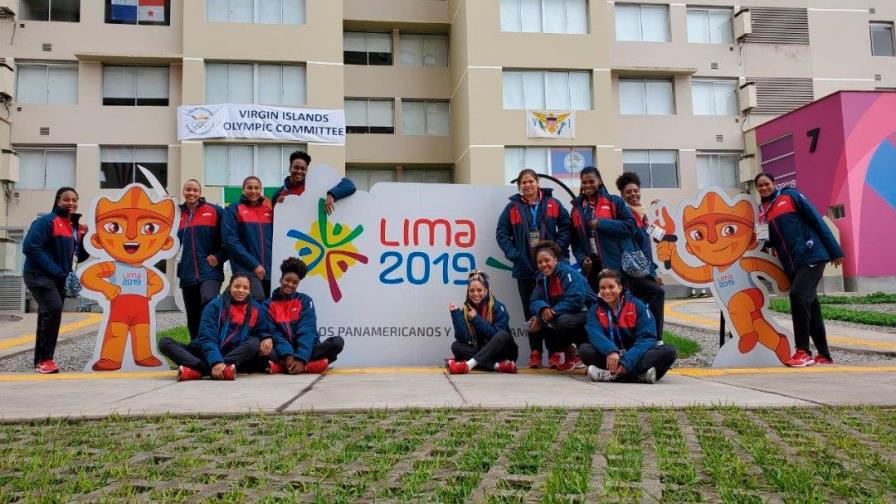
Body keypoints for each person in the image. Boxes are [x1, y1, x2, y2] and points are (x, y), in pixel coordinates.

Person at [755, 172, 845, 367]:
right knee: (811, 304)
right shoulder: (763, 211)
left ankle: (803, 351)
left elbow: (816, 220)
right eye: (760, 186)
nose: (764, 188)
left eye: (766, 184)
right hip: (793, 263)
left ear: (773, 183)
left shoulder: (790, 196)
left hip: (811, 255)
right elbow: (771, 240)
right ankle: (824, 355)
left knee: (797, 295)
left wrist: (835, 251)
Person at [496, 169, 571, 368]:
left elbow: (566, 227)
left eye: (530, 181)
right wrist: (515, 255)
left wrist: (556, 249)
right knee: (530, 311)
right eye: (523, 182)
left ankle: (554, 353)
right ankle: (535, 352)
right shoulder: (512, 207)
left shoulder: (553, 203)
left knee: (552, 310)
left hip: (549, 270)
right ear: (519, 186)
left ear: (537, 182)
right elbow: (501, 233)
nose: (527, 185)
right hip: (525, 270)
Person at [158, 273, 275, 381]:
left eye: (245, 288)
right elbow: (207, 339)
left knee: (254, 343)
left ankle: (200, 371)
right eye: (237, 286)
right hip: (205, 353)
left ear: (249, 291)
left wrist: (267, 337)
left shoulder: (255, 308)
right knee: (164, 343)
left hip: (233, 355)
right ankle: (213, 370)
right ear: (230, 287)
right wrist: (216, 361)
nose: (241, 290)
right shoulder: (214, 306)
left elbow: (263, 329)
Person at [22, 187, 89, 374]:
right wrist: (57, 271)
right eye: (66, 199)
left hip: (59, 277)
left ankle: (41, 360)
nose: (71, 203)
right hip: (38, 275)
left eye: (74, 200)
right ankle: (45, 360)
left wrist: (86, 241)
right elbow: (30, 247)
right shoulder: (45, 222)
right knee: (53, 308)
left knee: (48, 313)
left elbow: (78, 256)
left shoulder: (74, 227)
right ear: (58, 201)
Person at [581, 269, 677, 383]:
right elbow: (594, 334)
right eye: (602, 288)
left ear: (620, 287)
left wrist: (627, 361)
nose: (606, 291)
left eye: (611, 287)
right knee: (585, 350)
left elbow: (647, 337)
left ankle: (609, 375)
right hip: (611, 356)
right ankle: (639, 376)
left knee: (669, 351)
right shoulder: (594, 310)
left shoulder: (637, 306)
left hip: (635, 355)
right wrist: (610, 351)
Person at [265, 257, 343, 374]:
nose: (290, 284)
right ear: (281, 279)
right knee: (262, 349)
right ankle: (308, 366)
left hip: (306, 351)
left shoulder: (305, 300)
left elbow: (307, 331)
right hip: (283, 352)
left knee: (337, 342)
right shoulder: (267, 305)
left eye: (294, 282)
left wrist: (301, 358)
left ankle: (286, 367)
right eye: (287, 280)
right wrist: (288, 355)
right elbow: (275, 334)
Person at [528, 241, 594, 371]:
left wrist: (550, 312)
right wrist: (542, 310)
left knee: (563, 321)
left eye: (547, 260)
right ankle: (568, 355)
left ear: (555, 260)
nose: (543, 265)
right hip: (564, 314)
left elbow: (576, 300)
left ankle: (579, 351)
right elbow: (534, 301)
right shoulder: (541, 277)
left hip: (589, 314)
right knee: (535, 319)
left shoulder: (567, 272)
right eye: (539, 262)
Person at [615, 171, 666, 339]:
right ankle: (655, 338)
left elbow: (654, 239)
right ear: (622, 196)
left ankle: (647, 337)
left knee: (640, 305)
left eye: (635, 190)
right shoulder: (625, 215)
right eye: (628, 192)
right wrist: (651, 274)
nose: (633, 194)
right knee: (657, 293)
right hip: (633, 271)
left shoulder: (642, 216)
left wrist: (658, 210)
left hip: (645, 269)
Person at [570, 167, 637, 293]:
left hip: (615, 264)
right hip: (592, 267)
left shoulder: (614, 201)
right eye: (584, 182)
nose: (587, 185)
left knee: (619, 300)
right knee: (597, 302)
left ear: (599, 181)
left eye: (591, 181)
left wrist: (602, 223)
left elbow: (631, 226)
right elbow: (575, 240)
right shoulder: (576, 209)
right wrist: (582, 258)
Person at [177, 179, 226, 341]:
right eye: (188, 189)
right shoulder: (177, 215)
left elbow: (230, 239)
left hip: (210, 271)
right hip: (187, 272)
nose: (191, 193)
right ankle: (196, 346)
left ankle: (212, 341)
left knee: (208, 300)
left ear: (200, 193)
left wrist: (219, 256)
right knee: (192, 314)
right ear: (184, 191)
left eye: (195, 190)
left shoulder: (215, 211)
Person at [446, 270, 518, 374]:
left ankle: (468, 365)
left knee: (503, 334)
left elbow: (495, 334)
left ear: (486, 291)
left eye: (479, 290)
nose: (475, 294)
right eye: (472, 291)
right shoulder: (466, 310)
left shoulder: (498, 307)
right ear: (468, 292)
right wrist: (456, 314)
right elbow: (464, 339)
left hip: (504, 353)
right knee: (456, 346)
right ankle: (498, 366)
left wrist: (476, 319)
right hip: (483, 352)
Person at [222, 176, 274, 301]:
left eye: (256, 188)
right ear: (243, 189)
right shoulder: (233, 209)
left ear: (261, 190)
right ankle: (223, 303)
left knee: (268, 302)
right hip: (245, 267)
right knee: (257, 297)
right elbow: (230, 241)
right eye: (249, 187)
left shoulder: (269, 210)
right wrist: (254, 264)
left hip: (268, 268)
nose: (253, 191)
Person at [272, 150, 356, 214]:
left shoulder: (315, 183)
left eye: (303, 169)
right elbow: (275, 220)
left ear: (307, 171)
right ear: (290, 168)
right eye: (296, 168)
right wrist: (280, 206)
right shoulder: (278, 194)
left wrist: (332, 195)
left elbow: (349, 185)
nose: (299, 171)